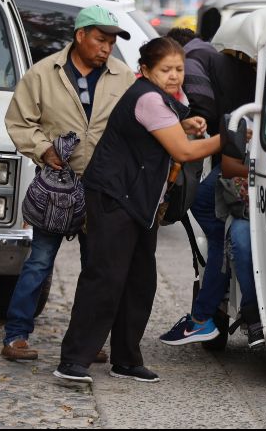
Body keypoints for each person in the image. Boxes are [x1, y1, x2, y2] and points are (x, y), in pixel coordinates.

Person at [53, 37, 220, 384]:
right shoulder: (147, 96)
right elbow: (184, 153)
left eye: (179, 69)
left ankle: (126, 360)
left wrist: (185, 125)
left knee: (140, 282)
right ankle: (73, 361)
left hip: (140, 203)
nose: (174, 76)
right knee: (105, 280)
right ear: (145, 70)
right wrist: (230, 138)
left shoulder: (160, 98)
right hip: (115, 199)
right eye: (166, 70)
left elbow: (159, 132)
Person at [1, 5, 135, 362]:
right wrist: (44, 150)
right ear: (80, 36)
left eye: (111, 42)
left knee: (96, 269)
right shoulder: (43, 73)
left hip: (102, 190)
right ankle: (16, 336)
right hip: (56, 188)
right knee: (39, 261)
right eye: (100, 39)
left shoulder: (124, 77)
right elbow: (18, 121)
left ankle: (87, 342)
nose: (107, 48)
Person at [158, 28, 258, 347]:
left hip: (240, 148)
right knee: (222, 225)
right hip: (240, 146)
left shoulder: (194, 59)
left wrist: (189, 125)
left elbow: (203, 104)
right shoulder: (214, 57)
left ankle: (213, 302)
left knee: (206, 210)